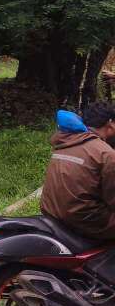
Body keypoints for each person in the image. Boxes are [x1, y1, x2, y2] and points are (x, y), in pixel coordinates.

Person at [40, 102, 115, 241]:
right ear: (110, 124)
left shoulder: (66, 142)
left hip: (52, 212)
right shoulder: (105, 153)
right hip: (82, 220)